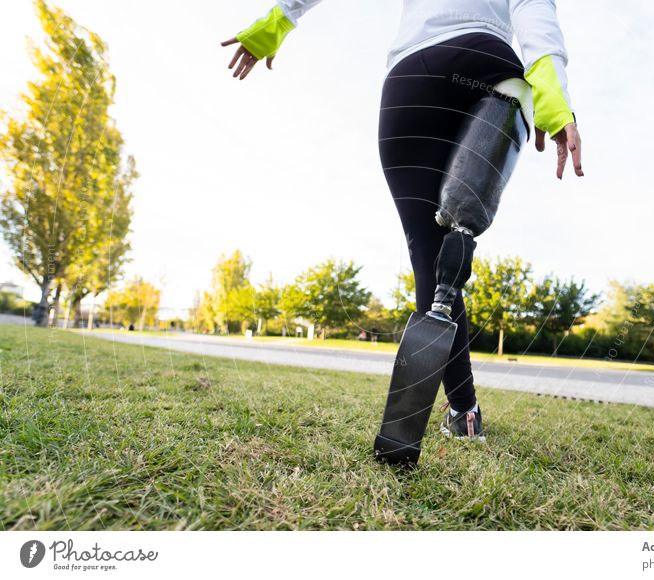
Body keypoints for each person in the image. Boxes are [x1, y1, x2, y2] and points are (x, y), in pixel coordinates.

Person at [222, 0, 584, 442]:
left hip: (415, 76)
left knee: (429, 253)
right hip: (491, 69)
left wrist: (275, 24)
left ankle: (464, 410)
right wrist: (551, 92)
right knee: (459, 233)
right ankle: (463, 410)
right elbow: (534, 9)